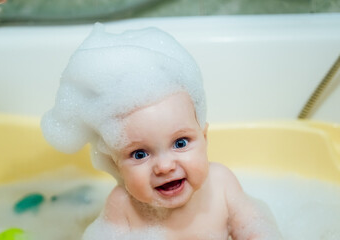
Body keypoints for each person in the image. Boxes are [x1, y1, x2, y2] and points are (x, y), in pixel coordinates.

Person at [41, 24, 283, 240]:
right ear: (114, 164)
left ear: (205, 138)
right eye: (139, 154)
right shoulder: (122, 205)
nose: (165, 166)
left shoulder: (221, 184)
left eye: (180, 143)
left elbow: (255, 228)